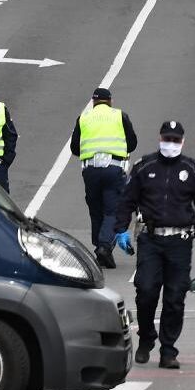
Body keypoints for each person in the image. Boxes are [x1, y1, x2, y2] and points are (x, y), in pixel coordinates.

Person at [114, 120, 195, 369]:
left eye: (175, 140)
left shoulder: (192, 170)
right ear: (160, 138)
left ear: (182, 142)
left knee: (175, 297)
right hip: (151, 239)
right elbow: (126, 200)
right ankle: (146, 338)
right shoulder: (144, 166)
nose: (170, 144)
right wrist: (120, 230)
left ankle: (168, 350)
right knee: (146, 291)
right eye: (167, 139)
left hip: (179, 243)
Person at [70, 86, 138, 269]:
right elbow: (132, 143)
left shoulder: (83, 118)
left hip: (90, 170)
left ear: (93, 102)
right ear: (110, 101)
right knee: (112, 211)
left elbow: (74, 148)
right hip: (113, 169)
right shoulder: (120, 116)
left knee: (96, 210)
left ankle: (100, 249)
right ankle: (104, 246)